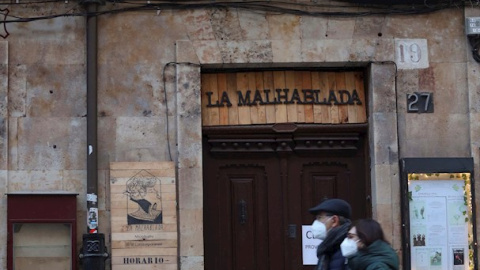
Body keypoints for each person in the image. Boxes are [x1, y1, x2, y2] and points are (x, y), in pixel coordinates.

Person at [309, 198, 352, 270]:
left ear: (334, 220)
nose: (315, 223)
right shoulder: (329, 247)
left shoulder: (348, 248)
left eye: (320, 218)